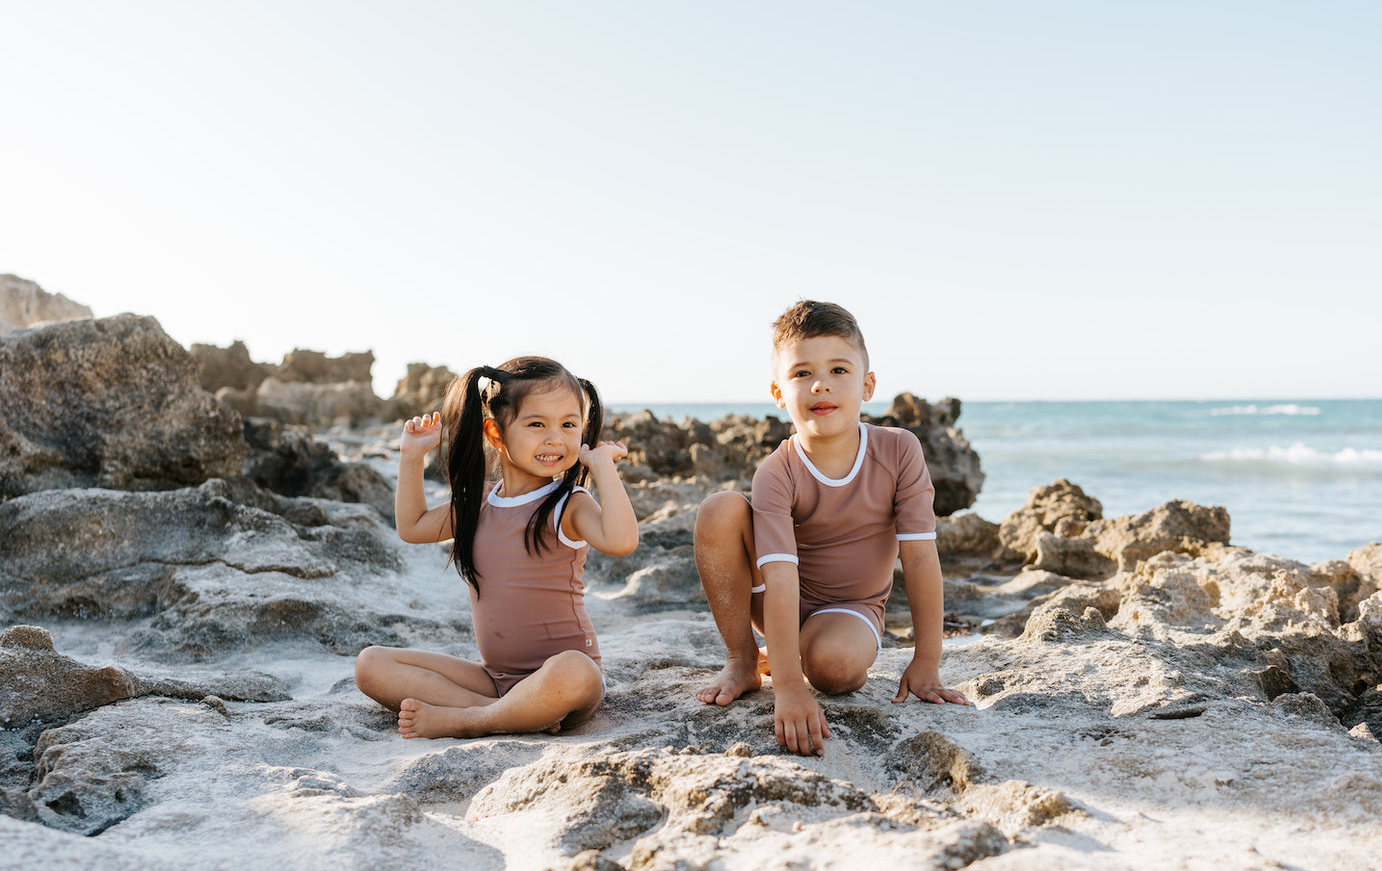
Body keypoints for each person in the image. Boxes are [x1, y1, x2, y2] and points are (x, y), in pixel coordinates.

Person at [694, 300, 968, 755]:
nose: (820, 383)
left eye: (839, 370)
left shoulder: (900, 451)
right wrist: (787, 687)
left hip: (851, 606)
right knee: (719, 509)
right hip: (776, 597)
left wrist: (927, 660)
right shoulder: (777, 472)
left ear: (867, 385)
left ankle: (803, 650)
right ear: (779, 392)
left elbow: (919, 557)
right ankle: (743, 660)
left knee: (834, 669)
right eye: (801, 373)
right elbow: (779, 576)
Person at [355, 357, 638, 739]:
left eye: (569, 425)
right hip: (495, 680)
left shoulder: (568, 503)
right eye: (537, 424)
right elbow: (413, 526)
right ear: (495, 433)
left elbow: (622, 541)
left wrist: (603, 467)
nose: (555, 438)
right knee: (370, 664)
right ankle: (502, 713)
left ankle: (467, 720)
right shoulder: (479, 503)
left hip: (560, 683)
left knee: (576, 669)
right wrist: (411, 457)